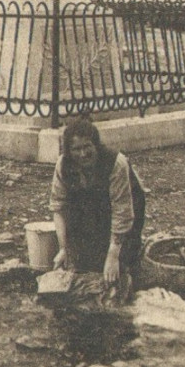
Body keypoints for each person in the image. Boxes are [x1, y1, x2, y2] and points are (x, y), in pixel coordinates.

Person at [50, 117, 146, 290]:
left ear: (96, 145)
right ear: (69, 151)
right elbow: (58, 206)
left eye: (87, 146)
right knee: (85, 264)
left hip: (126, 207)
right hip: (92, 208)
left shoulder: (116, 163)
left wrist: (113, 256)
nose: (83, 154)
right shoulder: (63, 165)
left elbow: (122, 211)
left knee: (119, 268)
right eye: (76, 149)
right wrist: (64, 248)